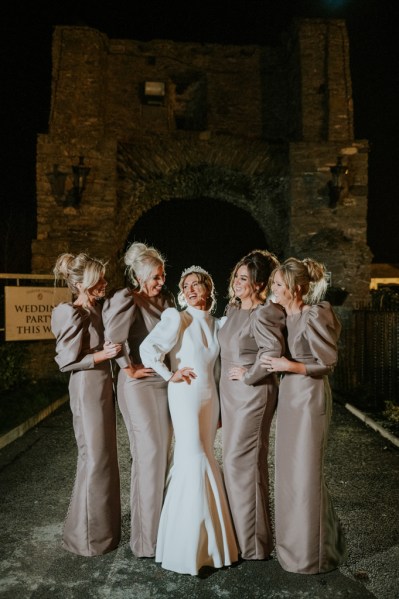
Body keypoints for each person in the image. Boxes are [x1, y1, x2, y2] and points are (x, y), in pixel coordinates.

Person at [139, 266, 238, 576]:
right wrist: (171, 375)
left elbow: (220, 367)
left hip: (210, 396)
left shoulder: (218, 323)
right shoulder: (176, 318)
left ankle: (212, 544)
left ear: (208, 288)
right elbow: (147, 349)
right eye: (187, 285)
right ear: (182, 292)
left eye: (198, 284)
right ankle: (187, 546)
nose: (193, 289)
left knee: (207, 455)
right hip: (184, 393)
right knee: (192, 458)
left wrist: (222, 408)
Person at [261, 257, 347, 574]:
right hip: (290, 398)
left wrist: (289, 366)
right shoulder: (286, 316)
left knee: (306, 474)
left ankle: (314, 555)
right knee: (289, 475)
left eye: (279, 285)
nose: (274, 289)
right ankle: (293, 548)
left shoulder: (316, 314)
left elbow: (327, 362)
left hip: (310, 397)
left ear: (296, 288)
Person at [102, 241, 175, 558]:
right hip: (139, 387)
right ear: (141, 275)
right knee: (149, 456)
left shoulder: (168, 300)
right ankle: (147, 541)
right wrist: (126, 368)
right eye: (156, 277)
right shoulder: (127, 298)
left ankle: (164, 530)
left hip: (165, 384)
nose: (161, 281)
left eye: (162, 275)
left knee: (164, 457)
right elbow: (112, 339)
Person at [51, 252, 122, 556]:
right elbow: (66, 362)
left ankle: (104, 531)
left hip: (103, 387)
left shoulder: (98, 309)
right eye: (98, 280)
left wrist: (108, 350)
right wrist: (100, 356)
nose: (104, 283)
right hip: (85, 389)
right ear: (81, 284)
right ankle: (85, 538)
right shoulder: (71, 312)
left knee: (104, 458)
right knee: (93, 458)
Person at [218, 249, 286, 561]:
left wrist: (249, 375)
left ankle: (255, 544)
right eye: (236, 276)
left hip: (252, 396)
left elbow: (270, 352)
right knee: (234, 463)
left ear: (260, 284)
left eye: (244, 278)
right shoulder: (233, 311)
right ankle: (239, 536)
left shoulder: (264, 312)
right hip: (230, 398)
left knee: (241, 463)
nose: (237, 282)